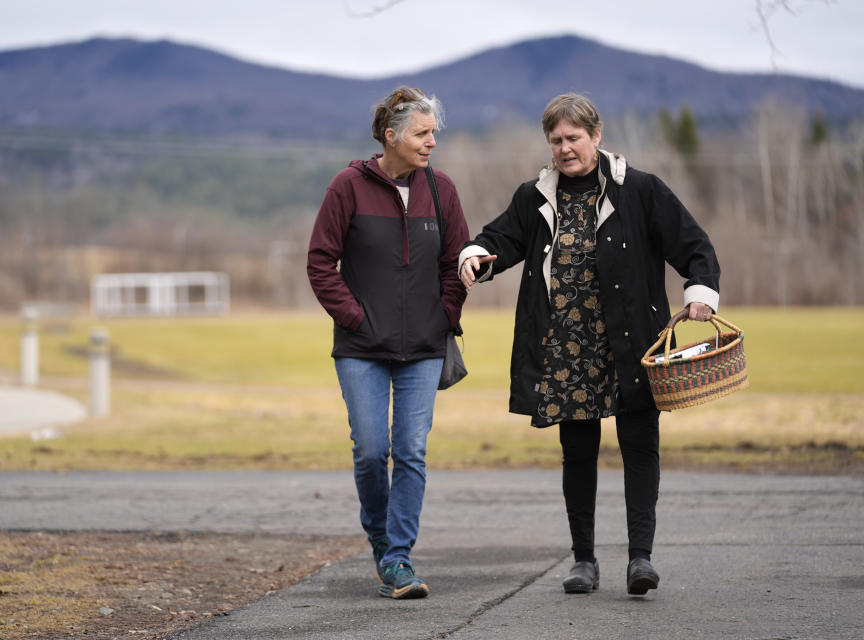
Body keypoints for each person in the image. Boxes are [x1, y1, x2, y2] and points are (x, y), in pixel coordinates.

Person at [458, 93, 720, 596]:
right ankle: (583, 561)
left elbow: (694, 246)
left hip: (632, 347)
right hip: (565, 350)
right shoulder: (533, 197)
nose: (564, 148)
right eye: (555, 140)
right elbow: (500, 240)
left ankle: (640, 559)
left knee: (639, 448)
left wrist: (700, 292)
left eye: (573, 138)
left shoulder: (640, 190)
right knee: (577, 453)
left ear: (596, 136)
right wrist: (476, 255)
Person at [307, 86, 469, 599]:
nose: (431, 143)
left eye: (433, 133)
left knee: (412, 451)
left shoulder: (441, 190)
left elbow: (456, 261)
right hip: (361, 348)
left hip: (423, 346)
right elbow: (319, 263)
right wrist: (354, 317)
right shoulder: (347, 187)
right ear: (390, 136)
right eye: (422, 134)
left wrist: (445, 313)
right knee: (372, 452)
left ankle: (398, 558)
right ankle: (378, 537)